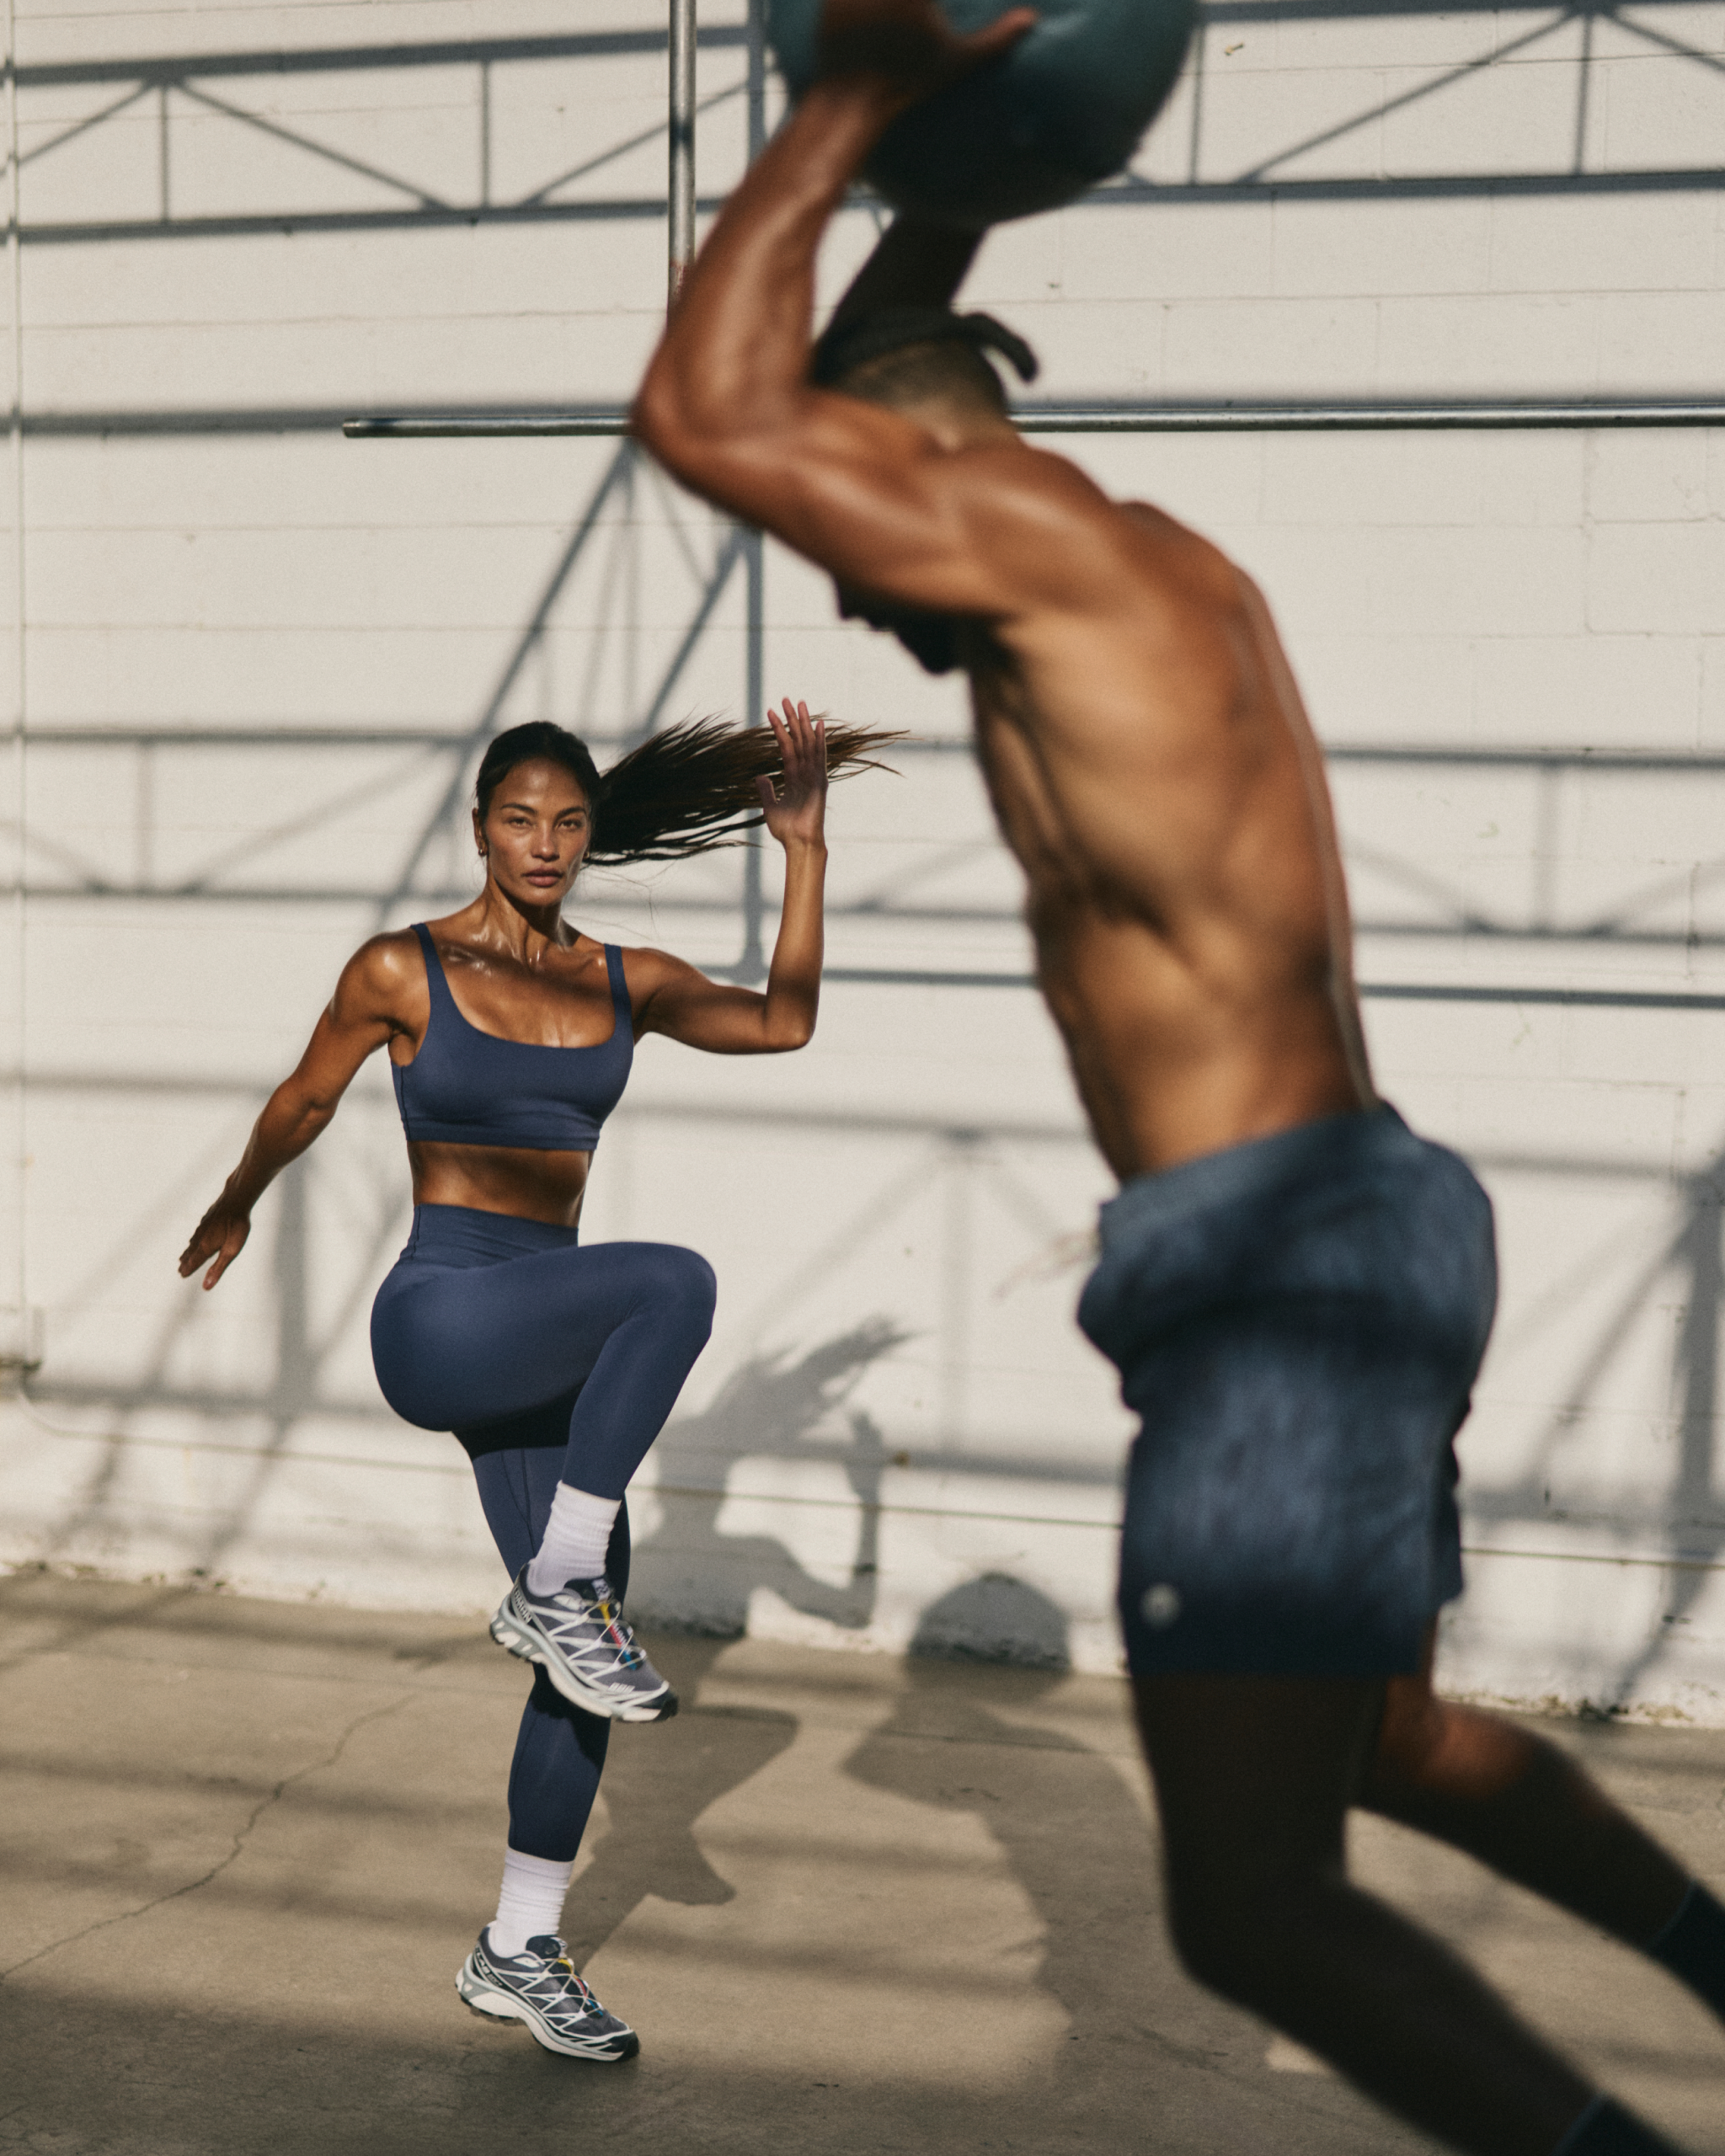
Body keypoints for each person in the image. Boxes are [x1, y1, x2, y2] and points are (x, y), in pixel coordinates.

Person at [629, 3, 1725, 2148]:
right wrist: (944, 179)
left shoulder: (1038, 563)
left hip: (1276, 1261)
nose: (851, 598)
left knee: (1251, 1909)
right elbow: (852, 370)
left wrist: (847, 96)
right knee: (1381, 1734)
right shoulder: (1146, 566)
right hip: (1366, 1211)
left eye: (846, 535)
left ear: (912, 465)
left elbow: (701, 409)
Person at [178, 699, 890, 2063]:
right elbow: (306, 1098)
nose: (546, 843)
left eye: (568, 823)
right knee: (672, 1283)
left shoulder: (628, 979)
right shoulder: (403, 967)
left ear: (590, 836)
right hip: (443, 1317)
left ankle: (518, 1945)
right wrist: (237, 1198)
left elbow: (783, 1023)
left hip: (545, 1340)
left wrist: (802, 853)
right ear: (481, 830)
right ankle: (556, 1583)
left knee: (589, 1660)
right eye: (521, 820)